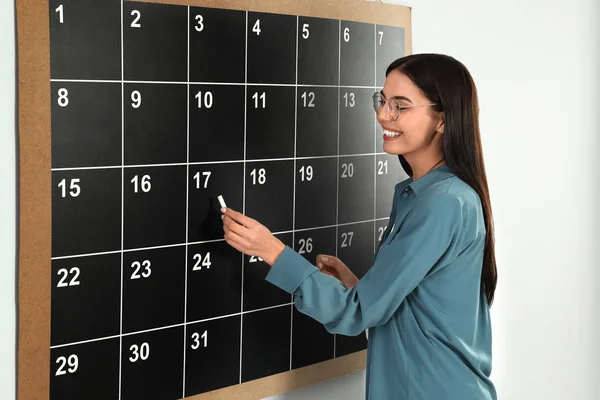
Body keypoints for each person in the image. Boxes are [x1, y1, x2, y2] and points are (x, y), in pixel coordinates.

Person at [220, 53, 498, 400]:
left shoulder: (441, 202)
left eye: (400, 105)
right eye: (382, 101)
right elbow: (408, 307)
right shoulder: (423, 193)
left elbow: (356, 314)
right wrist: (355, 285)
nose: (383, 115)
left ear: (442, 119)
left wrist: (269, 249)